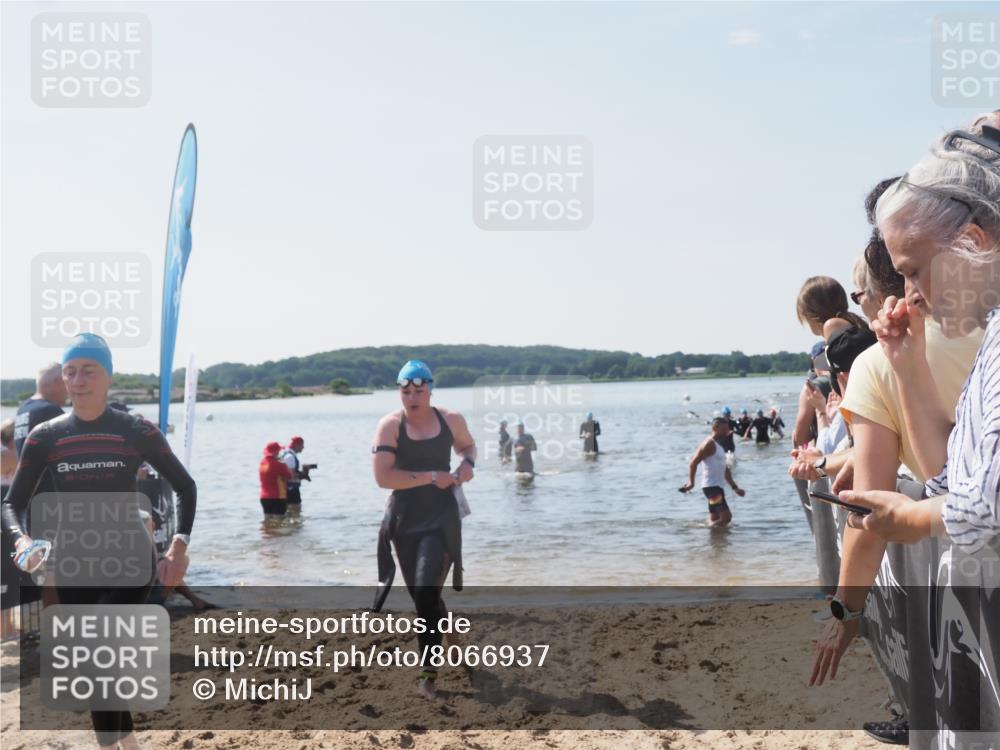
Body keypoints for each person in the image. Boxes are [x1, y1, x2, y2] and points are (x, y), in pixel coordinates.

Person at [1, 333, 196, 750]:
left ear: (108, 376)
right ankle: (126, 745)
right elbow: (12, 503)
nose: (77, 379)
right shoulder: (46, 436)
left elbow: (185, 486)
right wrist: (20, 540)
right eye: (70, 371)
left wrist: (178, 544)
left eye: (89, 370)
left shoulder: (134, 429)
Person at [371, 360, 476, 699]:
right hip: (404, 520)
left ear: (431, 389)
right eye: (406, 391)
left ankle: (427, 676)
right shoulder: (390, 426)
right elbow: (383, 478)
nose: (412, 397)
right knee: (422, 596)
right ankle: (455, 642)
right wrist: (431, 476)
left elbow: (467, 447)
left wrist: (467, 465)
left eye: (419, 390)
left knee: (427, 593)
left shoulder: (451, 419)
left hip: (441, 518)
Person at [679, 417, 746, 527]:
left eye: (728, 428)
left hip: (717, 487)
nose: (728, 431)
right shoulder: (708, 444)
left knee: (715, 518)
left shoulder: (718, 446)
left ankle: (714, 542)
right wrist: (691, 483)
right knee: (726, 517)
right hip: (711, 488)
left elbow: (725, 469)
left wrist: (735, 487)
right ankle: (704, 529)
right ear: (716, 428)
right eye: (725, 429)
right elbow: (693, 463)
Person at [13, 362, 67, 457]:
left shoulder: (23, 408)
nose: (69, 391)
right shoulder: (50, 410)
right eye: (66, 383)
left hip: (25, 471)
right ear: (58, 381)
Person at [259, 441, 293, 518]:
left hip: (264, 497)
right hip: (278, 497)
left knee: (267, 520)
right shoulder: (280, 464)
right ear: (276, 452)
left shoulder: (262, 463)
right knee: (279, 522)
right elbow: (289, 476)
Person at [278, 436, 312, 512]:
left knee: (289, 514)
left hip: (285, 488)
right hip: (291, 489)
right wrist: (304, 474)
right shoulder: (290, 457)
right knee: (296, 513)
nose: (303, 447)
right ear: (297, 445)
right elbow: (291, 476)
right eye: (302, 445)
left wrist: (302, 472)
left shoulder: (284, 453)